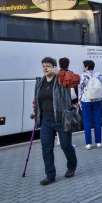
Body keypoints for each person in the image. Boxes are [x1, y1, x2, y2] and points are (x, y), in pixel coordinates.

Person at [32, 57, 77, 186]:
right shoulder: (40, 82)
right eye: (43, 66)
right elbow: (37, 99)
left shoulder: (61, 80)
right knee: (46, 148)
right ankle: (50, 175)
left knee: (65, 146)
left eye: (48, 66)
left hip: (61, 119)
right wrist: (35, 109)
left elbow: (76, 79)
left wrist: (59, 73)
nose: (45, 68)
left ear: (54, 67)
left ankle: (71, 166)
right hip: (46, 121)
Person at [79, 60, 102, 150]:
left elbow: (80, 89)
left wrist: (80, 101)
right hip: (97, 100)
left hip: (86, 101)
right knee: (97, 121)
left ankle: (88, 144)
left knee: (87, 122)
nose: (82, 68)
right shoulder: (98, 75)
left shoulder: (83, 76)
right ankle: (98, 142)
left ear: (86, 67)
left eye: (83, 66)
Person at [57, 57, 77, 147]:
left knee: (59, 121)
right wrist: (75, 101)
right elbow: (74, 89)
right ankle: (68, 142)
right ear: (68, 64)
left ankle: (59, 140)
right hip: (68, 101)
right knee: (68, 121)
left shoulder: (57, 74)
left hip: (58, 101)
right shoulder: (70, 74)